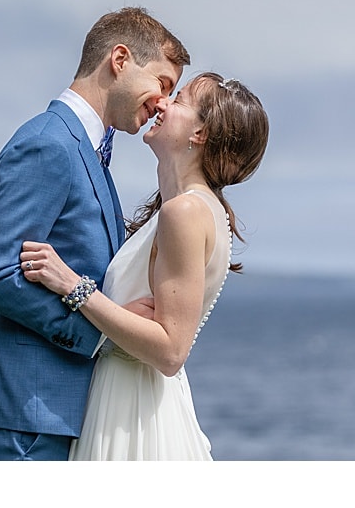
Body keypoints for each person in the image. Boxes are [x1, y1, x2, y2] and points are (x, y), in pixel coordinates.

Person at [0, 6, 190, 460]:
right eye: (162, 84)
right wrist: (99, 333)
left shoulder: (90, 152)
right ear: (119, 59)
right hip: (20, 419)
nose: (164, 102)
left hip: (58, 416)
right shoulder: (47, 143)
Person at [20, 72, 270, 460]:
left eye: (180, 98)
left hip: (132, 410)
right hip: (135, 400)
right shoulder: (189, 208)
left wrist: (73, 285)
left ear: (200, 134)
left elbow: (171, 350)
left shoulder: (186, 211)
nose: (162, 102)